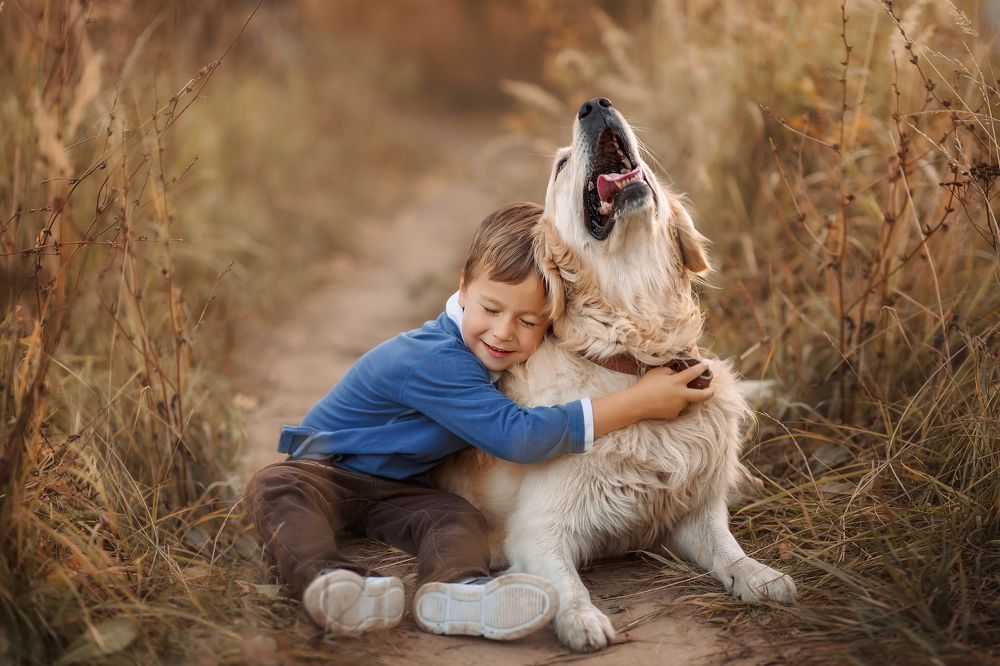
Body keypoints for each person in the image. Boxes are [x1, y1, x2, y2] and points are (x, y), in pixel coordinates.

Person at [245, 202, 714, 641]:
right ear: (463, 288)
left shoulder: (498, 353)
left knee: (454, 517)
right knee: (277, 489)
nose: (504, 332)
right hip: (327, 472)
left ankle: (459, 593)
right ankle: (329, 580)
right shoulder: (434, 359)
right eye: (491, 309)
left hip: (401, 489)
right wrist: (639, 401)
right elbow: (519, 437)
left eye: (530, 322)